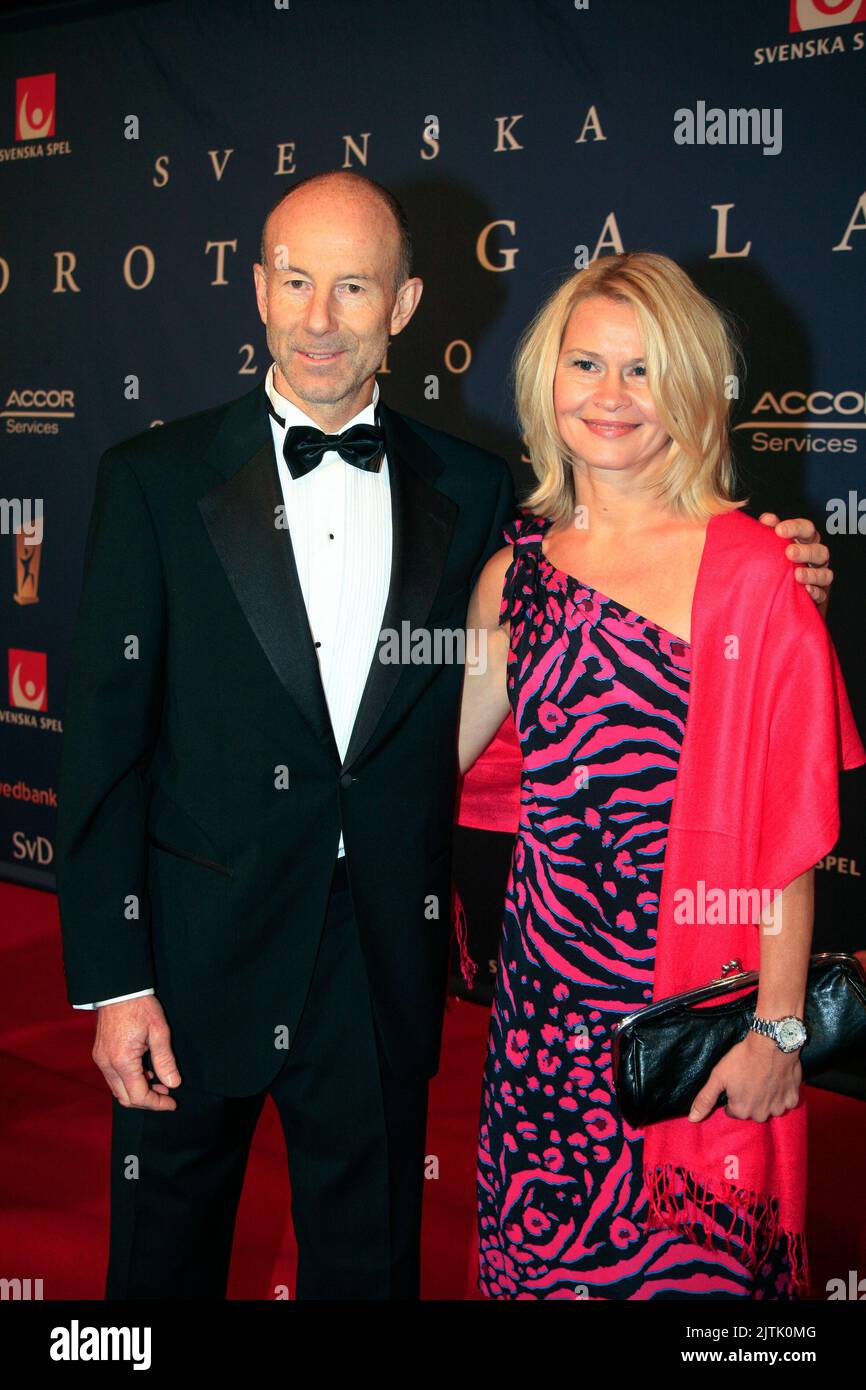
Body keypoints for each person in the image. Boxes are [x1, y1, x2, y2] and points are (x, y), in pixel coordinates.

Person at [55, 172, 833, 1302]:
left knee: (368, 1263)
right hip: (193, 959)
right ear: (257, 289)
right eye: (298, 280)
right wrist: (114, 982)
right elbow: (104, 754)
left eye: (356, 286)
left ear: (405, 305)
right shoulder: (151, 481)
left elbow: (631, 632)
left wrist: (771, 560)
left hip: (382, 958)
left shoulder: (472, 494)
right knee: (158, 1264)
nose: (322, 317)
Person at [459, 251, 864, 1300]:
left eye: (641, 370)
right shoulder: (519, 572)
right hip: (540, 1024)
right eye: (584, 362)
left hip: (693, 1015)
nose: (608, 396)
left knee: (690, 1286)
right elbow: (419, 759)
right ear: (544, 378)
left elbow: (787, 832)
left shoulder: (752, 568)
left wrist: (777, 1031)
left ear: (688, 386)